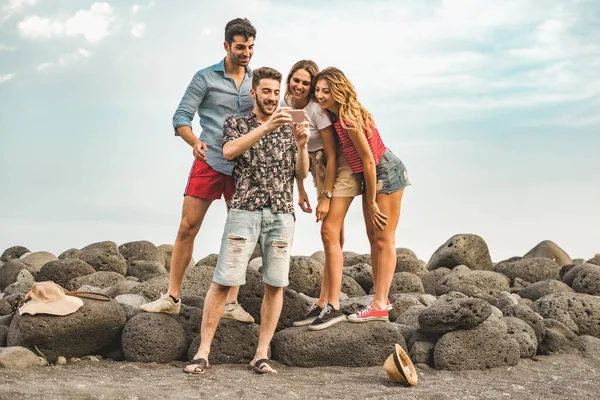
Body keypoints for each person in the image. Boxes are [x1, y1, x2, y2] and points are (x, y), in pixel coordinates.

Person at [184, 67, 310, 375]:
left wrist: (303, 144)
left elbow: (301, 173)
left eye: (275, 92)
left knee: (275, 283)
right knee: (222, 281)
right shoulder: (236, 123)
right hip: (244, 210)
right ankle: (202, 353)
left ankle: (261, 354)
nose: (271, 98)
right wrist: (266, 128)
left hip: (281, 213)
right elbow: (228, 152)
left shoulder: (289, 125)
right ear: (253, 93)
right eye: (265, 91)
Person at [141, 18, 256, 322]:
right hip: (208, 161)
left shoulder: (256, 81)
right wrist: (193, 141)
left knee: (239, 234)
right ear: (227, 46)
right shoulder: (205, 77)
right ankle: (172, 296)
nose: (246, 53)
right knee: (187, 227)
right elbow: (180, 117)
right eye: (241, 47)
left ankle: (232, 302)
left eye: (251, 47)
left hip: (242, 167)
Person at [314, 67, 411, 322]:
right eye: (318, 91)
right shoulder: (335, 116)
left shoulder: (347, 119)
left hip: (385, 173)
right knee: (373, 236)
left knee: (384, 238)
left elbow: (368, 161)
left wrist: (370, 202)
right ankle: (381, 299)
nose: (321, 95)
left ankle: (379, 304)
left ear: (338, 91)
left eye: (326, 90)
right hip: (373, 176)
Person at [281, 60, 362, 330]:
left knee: (328, 232)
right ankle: (323, 300)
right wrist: (302, 188)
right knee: (333, 234)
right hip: (316, 168)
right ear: (289, 79)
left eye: (307, 83)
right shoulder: (290, 106)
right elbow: (297, 149)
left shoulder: (316, 110)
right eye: (297, 80)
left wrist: (326, 196)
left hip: (337, 167)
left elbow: (331, 152)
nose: (301, 87)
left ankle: (334, 305)